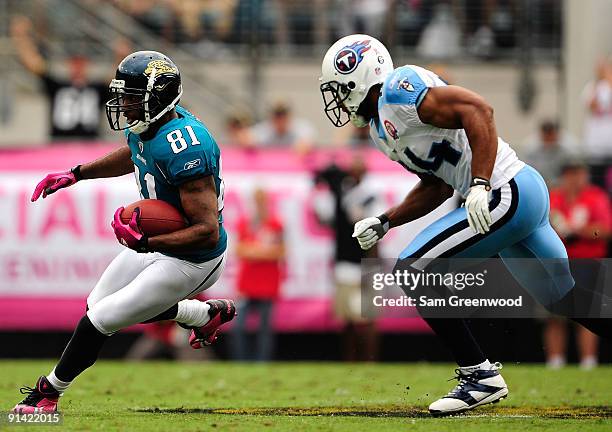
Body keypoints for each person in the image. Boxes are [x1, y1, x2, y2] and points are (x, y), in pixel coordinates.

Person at [319, 34, 612, 416]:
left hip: (505, 191)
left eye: (341, 89)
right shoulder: (380, 129)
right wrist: (386, 219)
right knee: (564, 296)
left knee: (413, 269)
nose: (339, 100)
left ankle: (480, 377)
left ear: (360, 78)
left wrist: (479, 182)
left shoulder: (398, 90)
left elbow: (480, 110)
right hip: (518, 193)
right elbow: (439, 182)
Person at [13, 51, 236, 414]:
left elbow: (207, 232)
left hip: (196, 259)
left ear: (158, 96)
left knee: (100, 320)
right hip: (161, 248)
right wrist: (76, 173)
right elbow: (133, 153)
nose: (123, 103)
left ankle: (47, 394)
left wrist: (147, 242)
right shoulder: (152, 126)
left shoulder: (185, 144)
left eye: (132, 95)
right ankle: (203, 315)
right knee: (98, 306)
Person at [313, 155, 383, 361]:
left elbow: (377, 235)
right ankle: (350, 361)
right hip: (345, 263)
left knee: (368, 317)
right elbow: (322, 217)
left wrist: (369, 266)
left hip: (365, 264)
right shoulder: (340, 196)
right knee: (347, 318)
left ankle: (369, 362)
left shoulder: (371, 198)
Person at [546, 161, 610, 369]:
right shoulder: (553, 197)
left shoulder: (595, 197)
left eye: (579, 174)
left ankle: (588, 360)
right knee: (554, 315)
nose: (575, 179)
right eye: (571, 174)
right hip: (559, 262)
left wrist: (577, 231)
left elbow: (605, 230)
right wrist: (561, 230)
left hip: (589, 262)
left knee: (589, 312)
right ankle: (555, 360)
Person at [10, 15, 109, 141]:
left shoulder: (97, 88)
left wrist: (121, 55)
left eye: (81, 63)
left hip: (90, 147)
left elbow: (117, 78)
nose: (78, 66)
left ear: (88, 65)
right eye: (75, 62)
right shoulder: (58, 85)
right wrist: (21, 38)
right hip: (59, 146)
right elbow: (34, 66)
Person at [231, 189, 285, 361]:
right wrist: (263, 251)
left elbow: (280, 251)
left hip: (268, 285)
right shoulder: (244, 223)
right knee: (238, 327)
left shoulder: (275, 224)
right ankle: (242, 362)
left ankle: (262, 362)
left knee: (264, 329)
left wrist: (253, 251)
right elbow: (239, 250)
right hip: (246, 285)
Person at [523, 120, 577, 186]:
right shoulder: (532, 152)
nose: (549, 139)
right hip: (539, 185)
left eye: (551, 135)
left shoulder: (564, 152)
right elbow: (529, 174)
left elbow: (568, 174)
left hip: (559, 188)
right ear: (542, 135)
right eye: (547, 135)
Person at [250, 101, 315, 153]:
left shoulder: (301, 127)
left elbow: (306, 143)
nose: (280, 119)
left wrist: (303, 146)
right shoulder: (264, 129)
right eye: (277, 115)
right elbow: (248, 141)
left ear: (289, 115)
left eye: (283, 115)